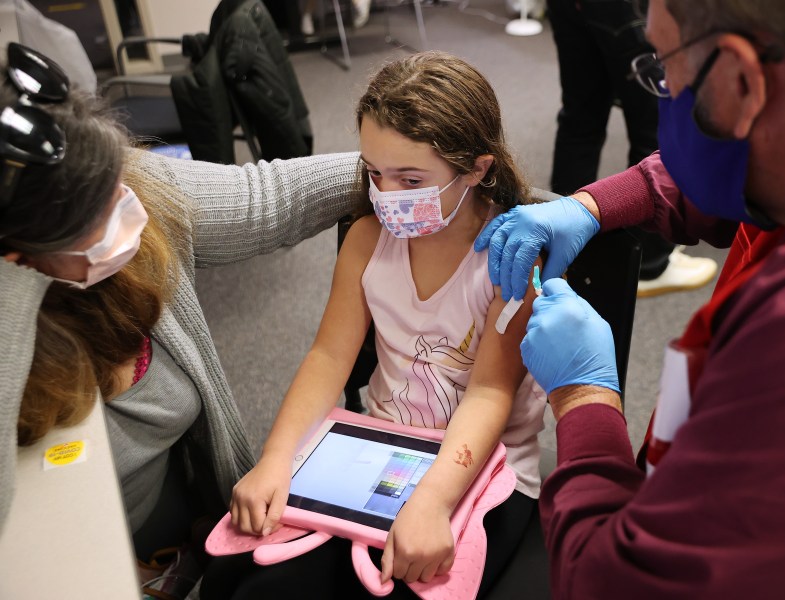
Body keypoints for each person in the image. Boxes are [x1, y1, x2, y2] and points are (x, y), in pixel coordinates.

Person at [476, 0, 785, 597]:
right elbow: (727, 176)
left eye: (665, 71)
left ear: (744, 82)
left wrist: (583, 398)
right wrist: (590, 204)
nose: (661, 90)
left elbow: (614, 583)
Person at [0, 43, 361, 595]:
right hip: (81, 560)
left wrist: (404, 172)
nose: (127, 213)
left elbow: (265, 200)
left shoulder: (106, 178)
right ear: (20, 256)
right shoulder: (14, 302)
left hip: (189, 519)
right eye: (92, 222)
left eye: (117, 185)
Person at [208, 51, 547, 599]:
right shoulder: (368, 241)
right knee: (240, 582)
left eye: (410, 178)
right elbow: (327, 357)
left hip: (484, 468)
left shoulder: (509, 260)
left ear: (478, 169)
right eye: (374, 173)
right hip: (379, 449)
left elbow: (488, 393)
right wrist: (275, 459)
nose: (386, 195)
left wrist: (434, 501)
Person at [547, 0, 717, 297]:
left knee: (581, 116)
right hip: (626, 9)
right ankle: (649, 263)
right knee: (653, 129)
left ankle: (562, 240)